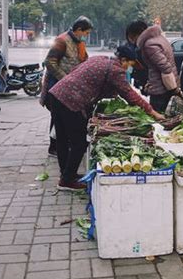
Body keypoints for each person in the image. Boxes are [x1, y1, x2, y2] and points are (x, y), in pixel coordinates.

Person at [47, 45, 165, 190]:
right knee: (79, 142)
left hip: (57, 93)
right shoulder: (115, 70)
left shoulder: (100, 59)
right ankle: (67, 180)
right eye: (130, 64)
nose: (129, 68)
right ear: (123, 60)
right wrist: (153, 113)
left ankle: (66, 175)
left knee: (63, 138)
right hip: (70, 100)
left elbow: (86, 78)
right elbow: (130, 95)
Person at [40, 16, 93, 157]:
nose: (86, 36)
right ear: (79, 30)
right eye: (86, 33)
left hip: (72, 86)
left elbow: (84, 61)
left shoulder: (79, 44)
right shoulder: (62, 40)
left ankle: (65, 144)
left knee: (68, 115)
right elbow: (50, 62)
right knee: (57, 116)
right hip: (57, 84)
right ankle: (54, 146)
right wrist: (66, 79)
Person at [136, 23, 180, 113]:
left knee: (158, 118)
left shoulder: (149, 44)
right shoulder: (160, 38)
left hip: (160, 89)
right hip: (165, 87)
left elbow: (165, 67)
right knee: (167, 118)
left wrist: (174, 89)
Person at [125, 20, 149, 91]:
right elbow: (127, 68)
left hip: (148, 82)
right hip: (136, 81)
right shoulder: (128, 47)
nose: (131, 38)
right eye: (130, 36)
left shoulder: (149, 46)